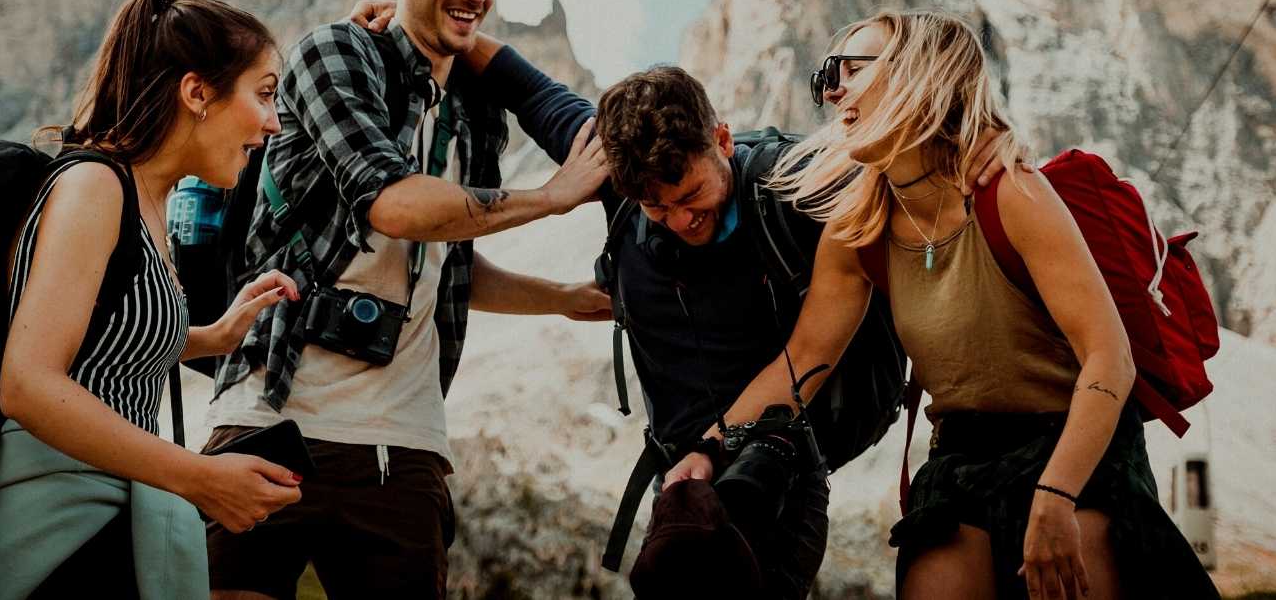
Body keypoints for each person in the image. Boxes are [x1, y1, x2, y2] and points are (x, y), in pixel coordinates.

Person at [355, 31, 1010, 600]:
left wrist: (987, 148)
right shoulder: (619, 171)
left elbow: (910, 164)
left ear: (721, 138)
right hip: (683, 478)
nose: (681, 220)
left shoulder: (795, 187)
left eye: (692, 195)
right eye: (657, 209)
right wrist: (432, 28)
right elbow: (528, 89)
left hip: (777, 470)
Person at [715, 9, 1220, 600]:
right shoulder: (859, 229)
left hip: (1076, 447)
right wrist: (704, 449)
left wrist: (1056, 496)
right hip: (959, 458)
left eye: (853, 70)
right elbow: (802, 362)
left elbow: (1110, 360)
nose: (833, 91)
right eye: (829, 75)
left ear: (918, 74)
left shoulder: (1012, 191)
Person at [202, 0, 612, 600]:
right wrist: (550, 198)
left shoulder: (478, 111)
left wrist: (562, 299)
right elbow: (394, 206)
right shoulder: (336, 55)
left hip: (406, 444)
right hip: (271, 417)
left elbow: (448, 249)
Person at [0, 0, 307, 599]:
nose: (274, 122)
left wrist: (211, 334)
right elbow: (28, 383)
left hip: (103, 522)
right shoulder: (96, 185)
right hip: (50, 532)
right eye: (265, 93)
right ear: (197, 93)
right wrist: (201, 479)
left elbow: (99, 340)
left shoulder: (149, 200)